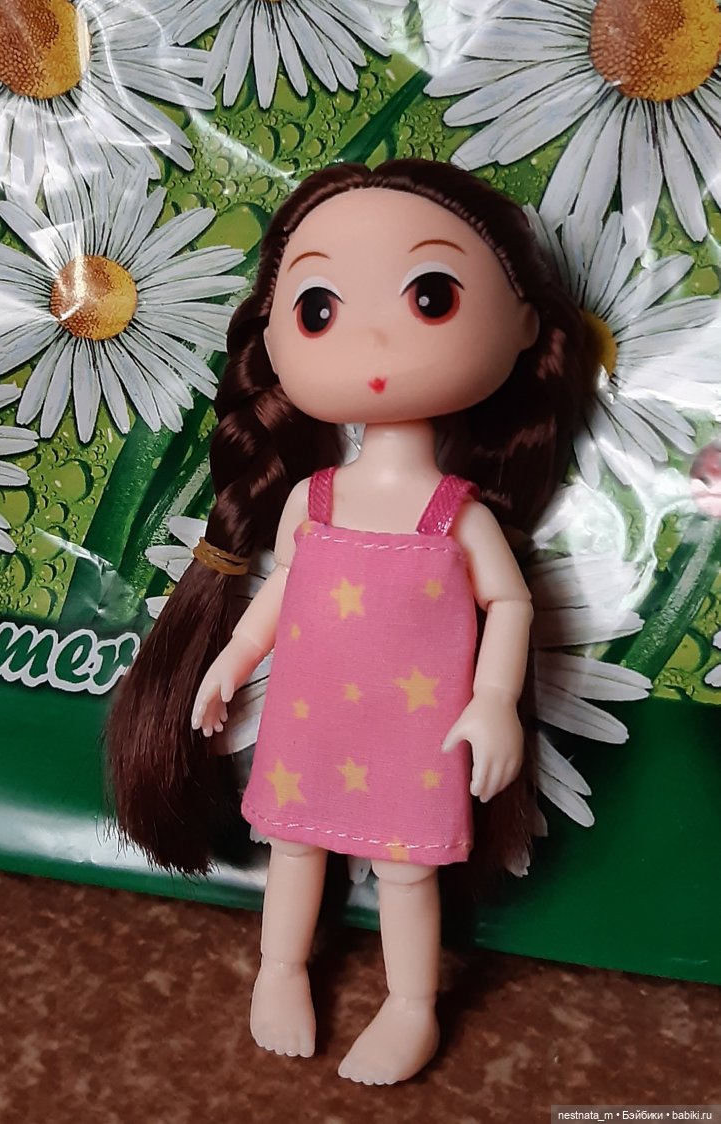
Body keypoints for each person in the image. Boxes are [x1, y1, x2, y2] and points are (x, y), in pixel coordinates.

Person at [107, 159, 594, 1085]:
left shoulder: (455, 514)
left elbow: (510, 602)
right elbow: (286, 589)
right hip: (312, 714)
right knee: (295, 842)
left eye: (431, 297)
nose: (370, 338)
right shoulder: (315, 498)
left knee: (407, 868)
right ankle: (280, 969)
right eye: (319, 309)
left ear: (525, 325)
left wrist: (495, 701)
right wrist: (230, 661)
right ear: (271, 340)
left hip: (413, 727)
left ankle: (411, 1006)